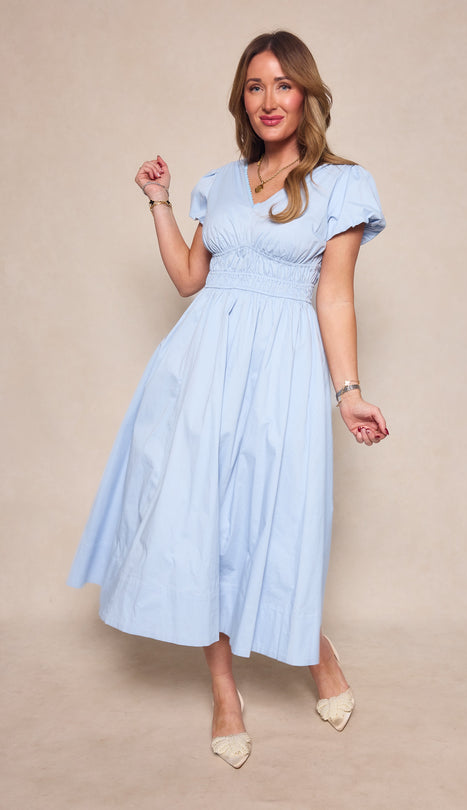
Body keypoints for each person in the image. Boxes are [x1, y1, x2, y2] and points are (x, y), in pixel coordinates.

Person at [68, 30, 388, 768]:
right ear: (241, 99)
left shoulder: (342, 185)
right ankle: (224, 692)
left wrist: (348, 392)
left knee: (274, 522)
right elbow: (188, 279)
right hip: (199, 370)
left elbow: (334, 296)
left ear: (306, 93)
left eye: (283, 84)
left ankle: (316, 651)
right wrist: (160, 201)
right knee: (202, 522)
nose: (269, 99)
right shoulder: (219, 182)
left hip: (282, 372)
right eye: (255, 86)